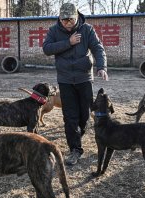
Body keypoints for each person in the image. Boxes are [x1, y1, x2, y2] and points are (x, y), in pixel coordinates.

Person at [43, 2, 108, 166]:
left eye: (70, 20)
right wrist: (68, 42)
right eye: (64, 20)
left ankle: (78, 134)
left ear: (77, 16)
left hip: (84, 78)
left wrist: (101, 67)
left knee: (85, 116)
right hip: (65, 80)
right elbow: (47, 48)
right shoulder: (54, 31)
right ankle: (75, 149)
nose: (67, 23)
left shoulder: (87, 30)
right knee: (70, 117)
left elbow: (98, 48)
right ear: (59, 18)